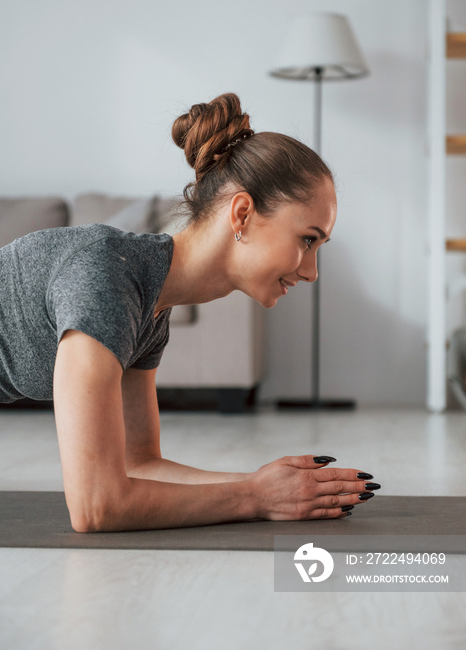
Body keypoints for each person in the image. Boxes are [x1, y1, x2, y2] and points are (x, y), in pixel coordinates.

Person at [0, 92, 379, 532]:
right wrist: (253, 496)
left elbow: (138, 464)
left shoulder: (148, 303)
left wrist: (268, 486)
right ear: (242, 214)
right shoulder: (106, 278)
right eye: (308, 239)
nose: (312, 272)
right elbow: (96, 506)